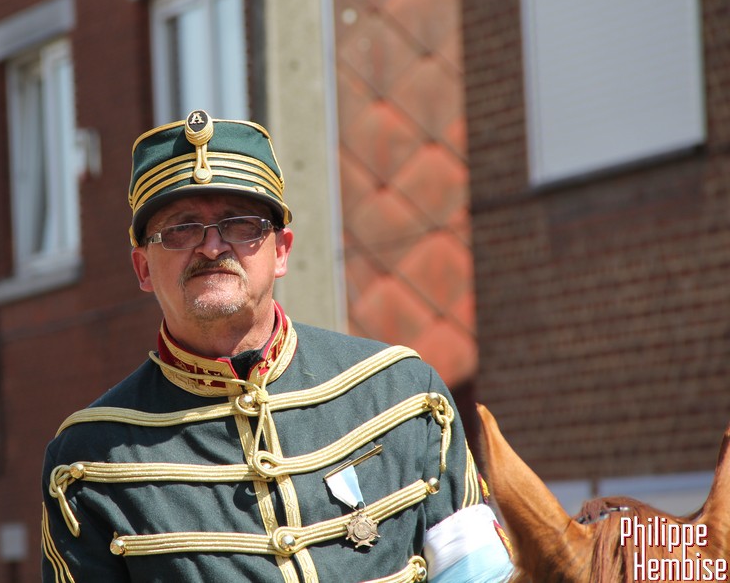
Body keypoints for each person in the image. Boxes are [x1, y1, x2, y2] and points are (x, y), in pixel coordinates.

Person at [41, 110, 514, 582]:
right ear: (143, 269)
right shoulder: (89, 460)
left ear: (282, 250)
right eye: (181, 229)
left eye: (241, 225)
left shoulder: (404, 395)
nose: (212, 247)